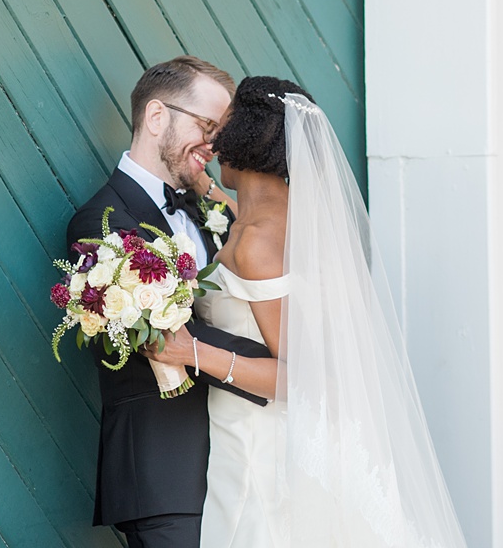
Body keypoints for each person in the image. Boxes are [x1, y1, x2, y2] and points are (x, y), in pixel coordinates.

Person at [150, 76, 468, 548]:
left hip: (261, 445)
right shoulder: (292, 218)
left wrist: (191, 351)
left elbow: (302, 377)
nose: (214, 140)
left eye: (224, 126)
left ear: (240, 138)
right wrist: (215, 195)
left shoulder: (258, 241)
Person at [65, 56, 272, 548]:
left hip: (239, 458)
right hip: (165, 471)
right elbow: (169, 338)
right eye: (207, 126)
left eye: (219, 135)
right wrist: (281, 367)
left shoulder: (209, 209)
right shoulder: (99, 224)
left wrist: (208, 187)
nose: (214, 145)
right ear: (157, 117)